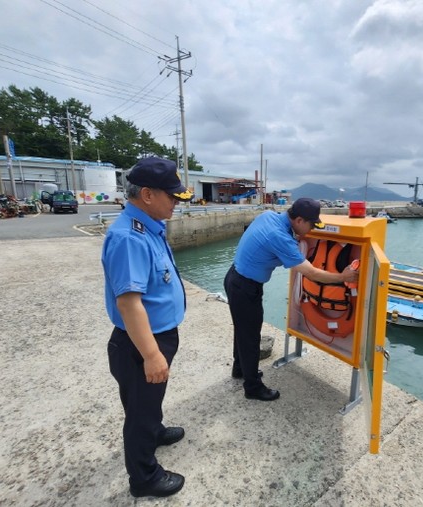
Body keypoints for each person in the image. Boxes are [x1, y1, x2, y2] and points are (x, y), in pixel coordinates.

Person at [102, 157, 193, 498]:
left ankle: (154, 431)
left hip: (156, 335)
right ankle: (144, 477)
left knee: (148, 403)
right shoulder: (131, 238)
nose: (176, 202)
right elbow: (129, 304)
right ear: (147, 194)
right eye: (172, 196)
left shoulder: (149, 226)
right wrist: (152, 355)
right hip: (141, 343)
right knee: (140, 412)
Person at [223, 197, 359, 401]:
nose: (311, 230)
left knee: (244, 330)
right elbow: (311, 273)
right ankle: (252, 387)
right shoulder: (280, 237)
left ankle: (240, 369)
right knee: (250, 335)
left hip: (235, 277)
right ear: (299, 220)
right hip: (245, 286)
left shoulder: (269, 216)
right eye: (311, 225)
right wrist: (344, 277)